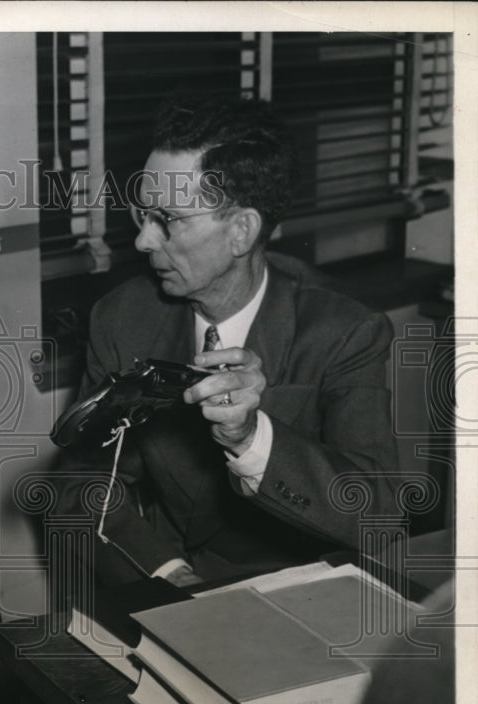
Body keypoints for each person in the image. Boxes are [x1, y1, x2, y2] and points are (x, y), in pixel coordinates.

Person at [57, 96, 400, 589]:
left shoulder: (344, 331)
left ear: (241, 231)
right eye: (142, 216)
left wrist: (250, 438)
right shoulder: (123, 317)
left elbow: (378, 518)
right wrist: (168, 574)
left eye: (168, 220)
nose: (143, 243)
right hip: (162, 573)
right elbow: (80, 484)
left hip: (300, 592)